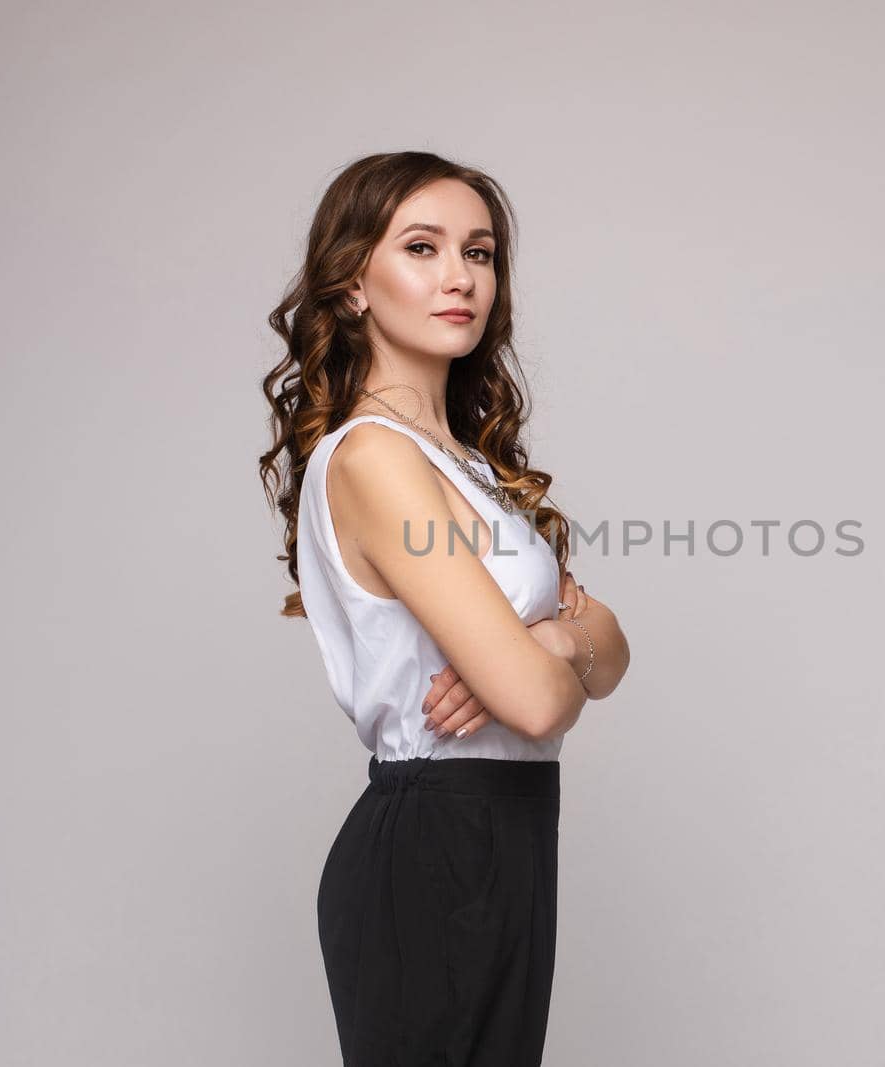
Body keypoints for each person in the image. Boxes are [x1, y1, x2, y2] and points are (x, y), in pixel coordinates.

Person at [258, 150, 630, 1066]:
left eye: (481, 251)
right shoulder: (375, 458)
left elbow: (610, 648)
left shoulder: (470, 463)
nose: (460, 275)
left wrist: (546, 636)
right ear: (353, 284)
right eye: (422, 247)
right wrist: (555, 650)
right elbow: (544, 703)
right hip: (438, 841)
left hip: (513, 828)